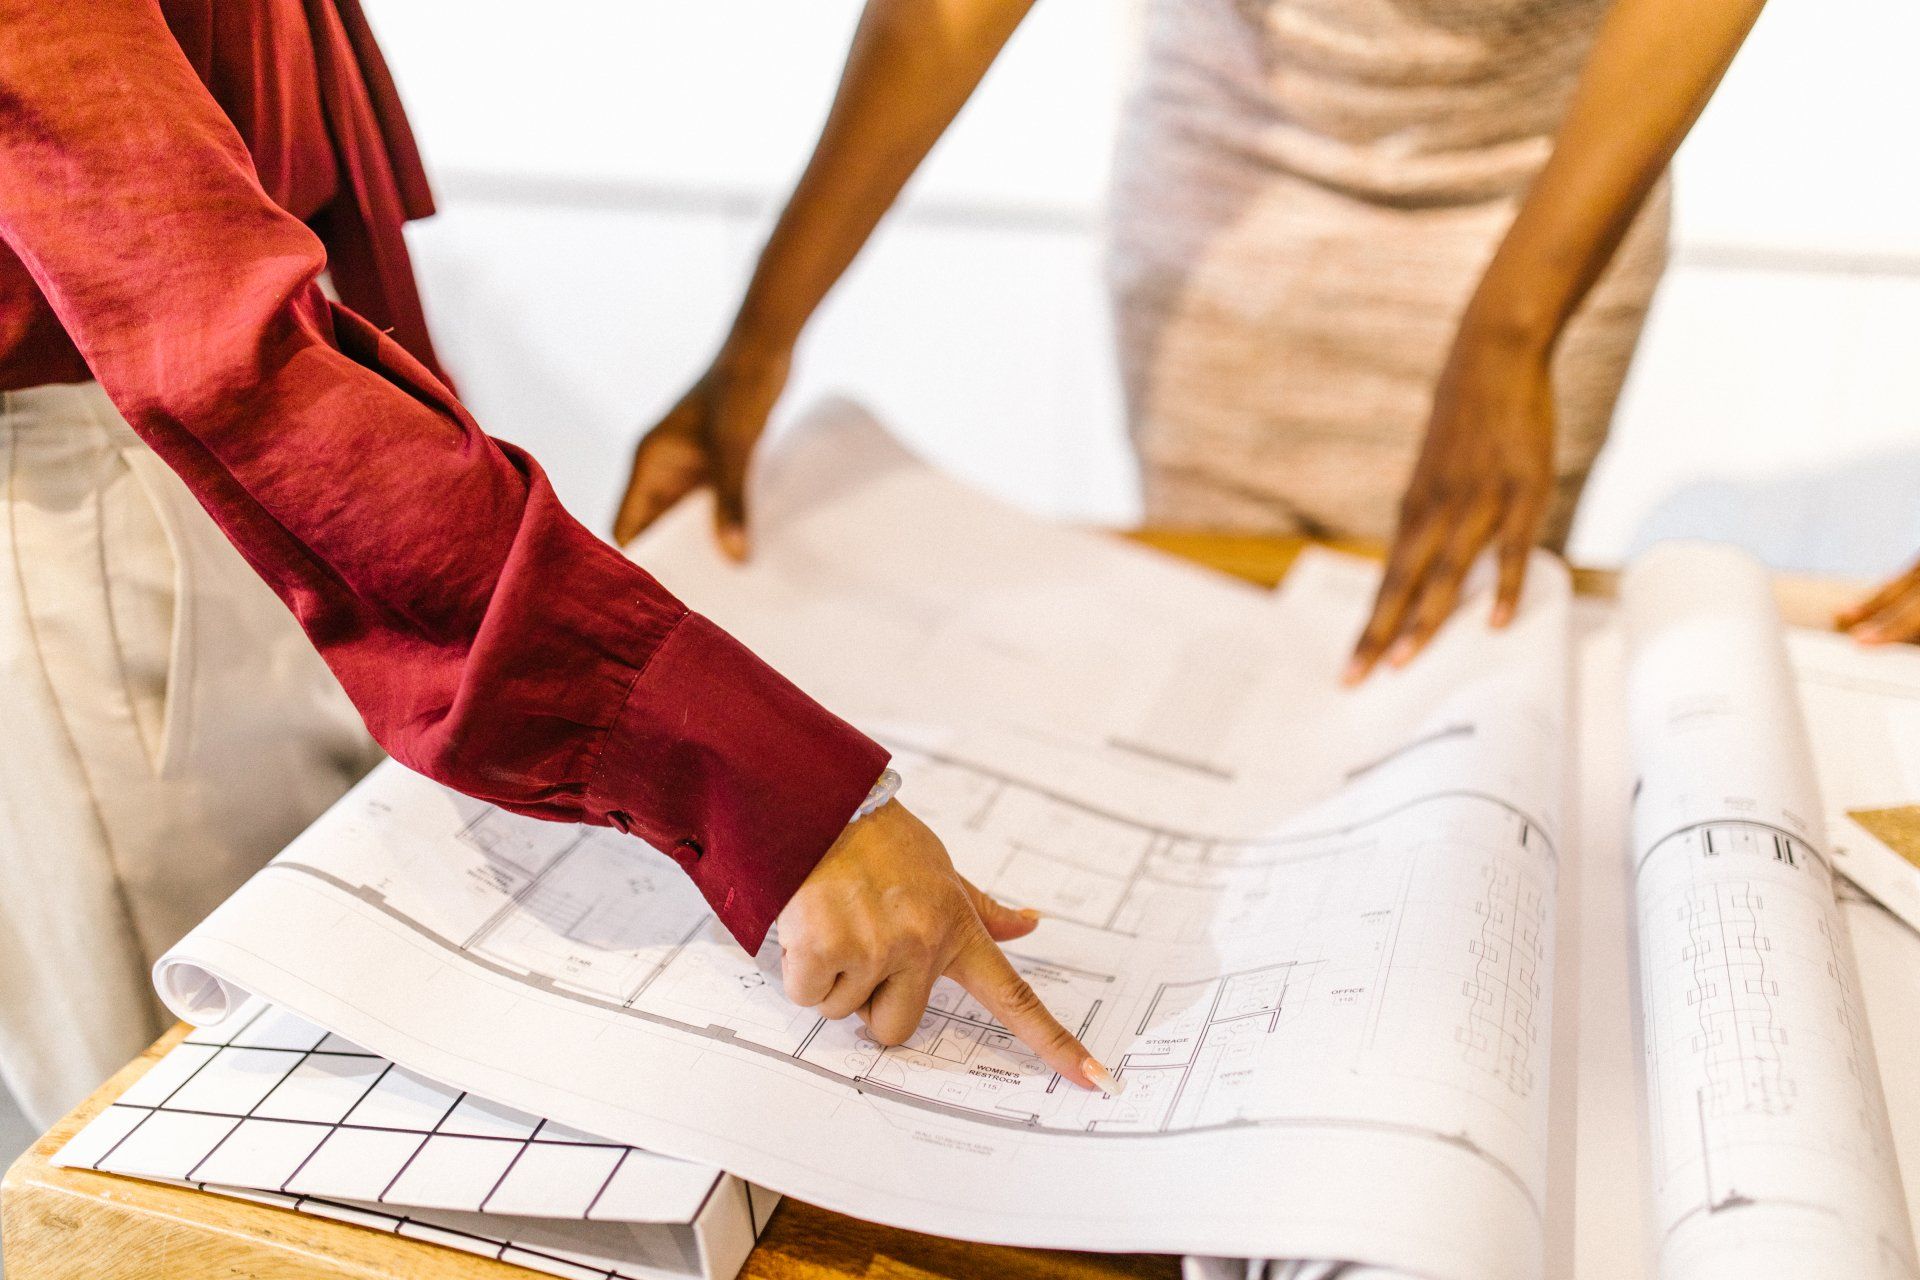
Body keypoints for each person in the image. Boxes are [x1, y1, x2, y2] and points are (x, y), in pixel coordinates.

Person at [0, 0, 1107, 1132]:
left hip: (238, 452)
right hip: (113, 477)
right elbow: (219, 346)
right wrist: (761, 780)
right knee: (194, 1113)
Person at [614, 0, 1790, 677]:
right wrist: (755, 346)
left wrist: (1512, 328)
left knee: (1443, 675)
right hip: (1228, 178)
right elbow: (947, 14)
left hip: (1535, 197)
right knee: (1236, 666)